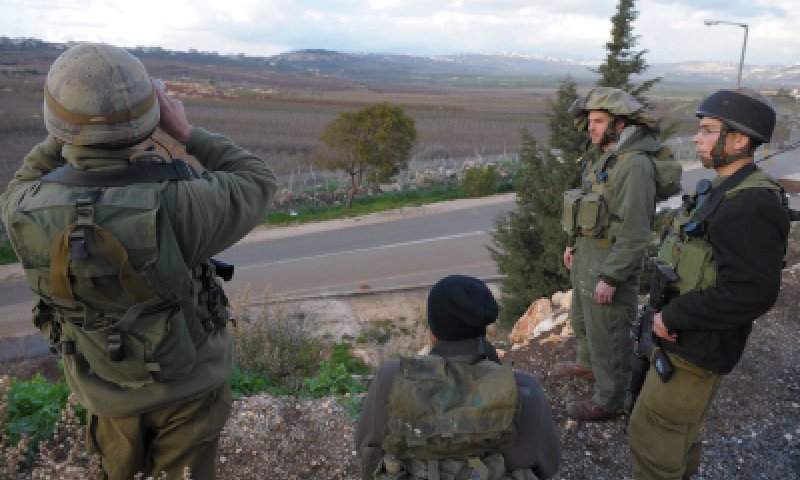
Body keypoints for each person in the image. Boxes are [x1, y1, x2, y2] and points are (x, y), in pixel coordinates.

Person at [0, 43, 276, 479]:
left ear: (56, 122)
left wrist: (75, 126)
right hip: (191, 388)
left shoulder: (22, 210)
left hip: (106, 391)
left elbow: (28, 174)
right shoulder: (186, 203)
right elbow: (258, 180)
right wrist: (185, 131)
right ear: (153, 113)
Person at [627, 88, 789, 479]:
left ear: (738, 140)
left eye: (707, 130)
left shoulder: (750, 204)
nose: (697, 138)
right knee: (674, 437)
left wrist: (676, 315)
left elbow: (753, 291)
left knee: (655, 441)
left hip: (694, 347)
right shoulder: (724, 190)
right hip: (683, 339)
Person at [355, 275, 561, 480]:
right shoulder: (523, 388)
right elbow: (548, 465)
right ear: (483, 327)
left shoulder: (393, 377)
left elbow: (367, 450)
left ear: (432, 332)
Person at [557, 87, 659, 421]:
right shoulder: (602, 158)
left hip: (609, 260)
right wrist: (572, 244)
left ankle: (609, 400)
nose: (591, 127)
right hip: (587, 253)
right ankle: (589, 367)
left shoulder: (635, 166)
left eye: (599, 121)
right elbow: (587, 204)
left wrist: (612, 276)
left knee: (610, 334)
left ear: (620, 124)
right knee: (583, 321)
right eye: (590, 121)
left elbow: (635, 231)